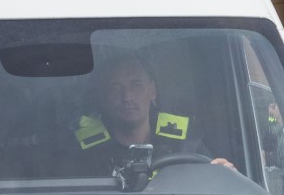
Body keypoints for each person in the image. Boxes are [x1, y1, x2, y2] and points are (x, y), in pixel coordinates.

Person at [74, 53, 232, 176]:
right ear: (103, 98)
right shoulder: (82, 152)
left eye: (136, 85)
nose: (127, 97)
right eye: (115, 88)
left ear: (153, 91)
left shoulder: (185, 143)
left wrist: (226, 175)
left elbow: (213, 184)